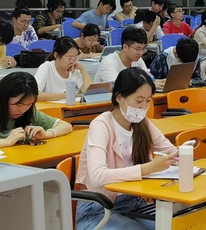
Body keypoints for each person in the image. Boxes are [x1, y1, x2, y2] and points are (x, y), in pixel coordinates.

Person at [75, 67, 177, 230]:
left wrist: (184, 155)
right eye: (139, 101)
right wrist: (148, 168)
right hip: (98, 209)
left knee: (173, 225)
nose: (144, 107)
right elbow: (97, 177)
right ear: (120, 98)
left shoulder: (142, 123)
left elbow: (171, 153)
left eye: (148, 101)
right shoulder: (101, 125)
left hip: (132, 203)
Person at [0, 72, 72, 148]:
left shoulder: (29, 113)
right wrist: (6, 141)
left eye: (29, 104)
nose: (23, 110)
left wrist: (47, 134)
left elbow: (66, 126)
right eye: (17, 104)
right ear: (3, 99)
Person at [35, 37, 92, 101]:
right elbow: (35, 95)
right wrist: (65, 95)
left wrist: (83, 69)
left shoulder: (74, 70)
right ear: (56, 55)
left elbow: (88, 92)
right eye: (69, 58)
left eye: (75, 57)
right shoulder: (46, 68)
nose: (72, 61)